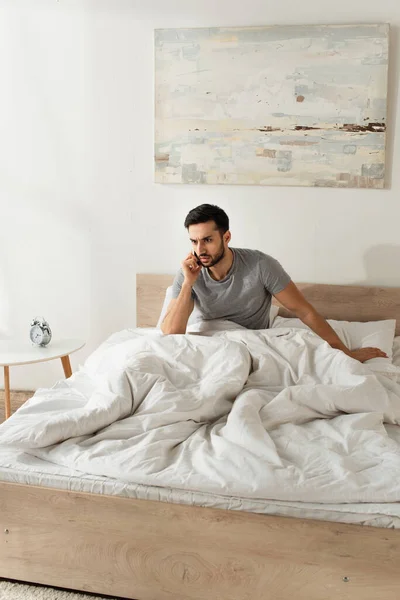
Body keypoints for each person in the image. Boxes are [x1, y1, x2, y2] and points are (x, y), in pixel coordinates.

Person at [161, 204, 387, 363]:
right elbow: (171, 332)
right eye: (194, 241)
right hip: (208, 346)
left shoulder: (260, 265)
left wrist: (343, 351)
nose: (200, 250)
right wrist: (188, 284)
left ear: (226, 237)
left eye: (207, 240)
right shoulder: (189, 271)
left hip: (251, 345)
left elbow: (304, 311)